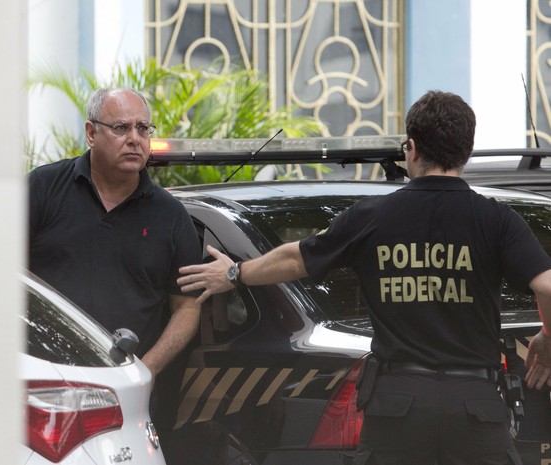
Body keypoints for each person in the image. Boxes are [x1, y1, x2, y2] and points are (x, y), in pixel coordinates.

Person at [177, 90, 551, 465]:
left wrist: (234, 272)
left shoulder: (372, 216)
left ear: (413, 149)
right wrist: (546, 337)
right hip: (476, 407)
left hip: (398, 409)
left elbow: (296, 259)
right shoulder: (498, 220)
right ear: (467, 151)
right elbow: (547, 286)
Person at [28, 87, 202, 389]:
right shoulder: (42, 188)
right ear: (91, 133)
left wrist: (144, 371)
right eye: (121, 128)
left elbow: (187, 308)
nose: (135, 139)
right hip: (43, 379)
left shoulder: (171, 216)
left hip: (125, 390)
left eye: (143, 128)